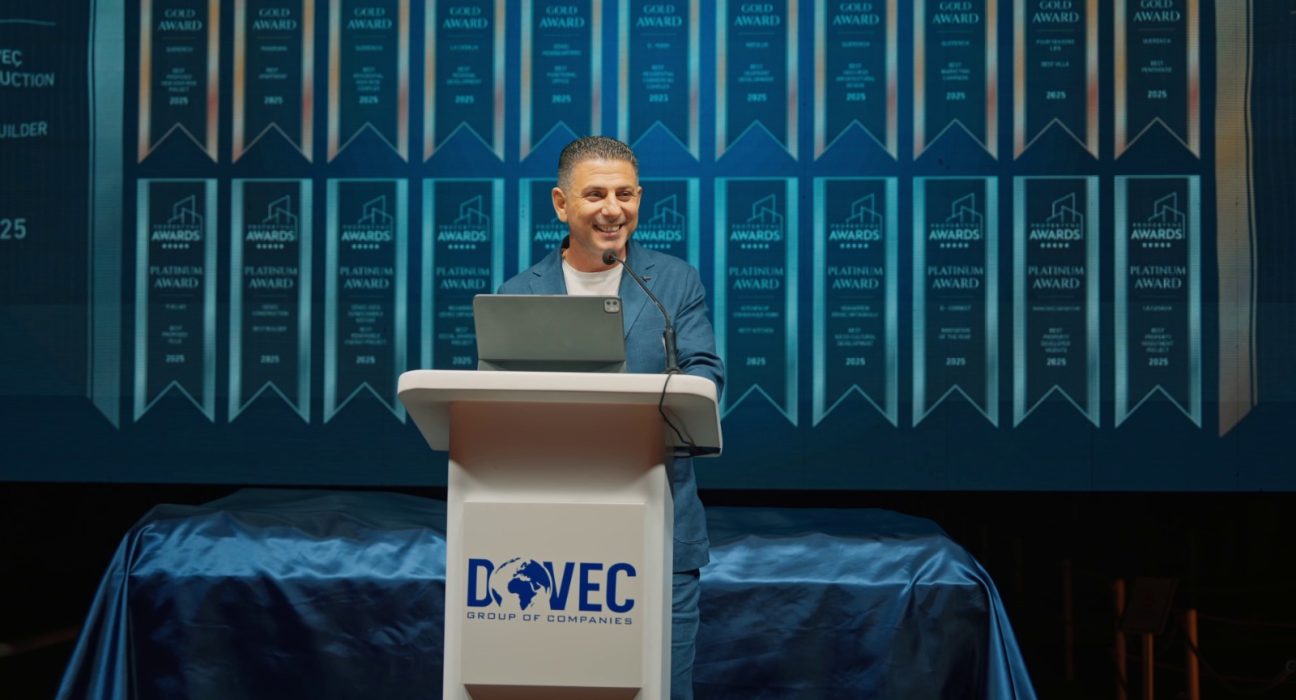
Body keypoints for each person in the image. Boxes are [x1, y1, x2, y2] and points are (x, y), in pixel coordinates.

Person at [498, 136, 724, 698]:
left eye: (625, 194)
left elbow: (706, 375)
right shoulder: (518, 293)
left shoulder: (675, 282)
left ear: (639, 199)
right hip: (551, 541)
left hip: (661, 529)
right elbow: (499, 406)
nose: (612, 209)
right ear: (561, 204)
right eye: (595, 194)